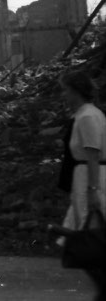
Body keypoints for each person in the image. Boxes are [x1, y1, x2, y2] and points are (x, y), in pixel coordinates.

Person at [59, 70, 106, 300]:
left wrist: (93, 189)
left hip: (90, 176)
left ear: (77, 91)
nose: (64, 95)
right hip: (84, 177)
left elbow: (93, 153)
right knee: (86, 235)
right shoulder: (84, 115)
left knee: (90, 236)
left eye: (66, 90)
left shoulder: (88, 117)